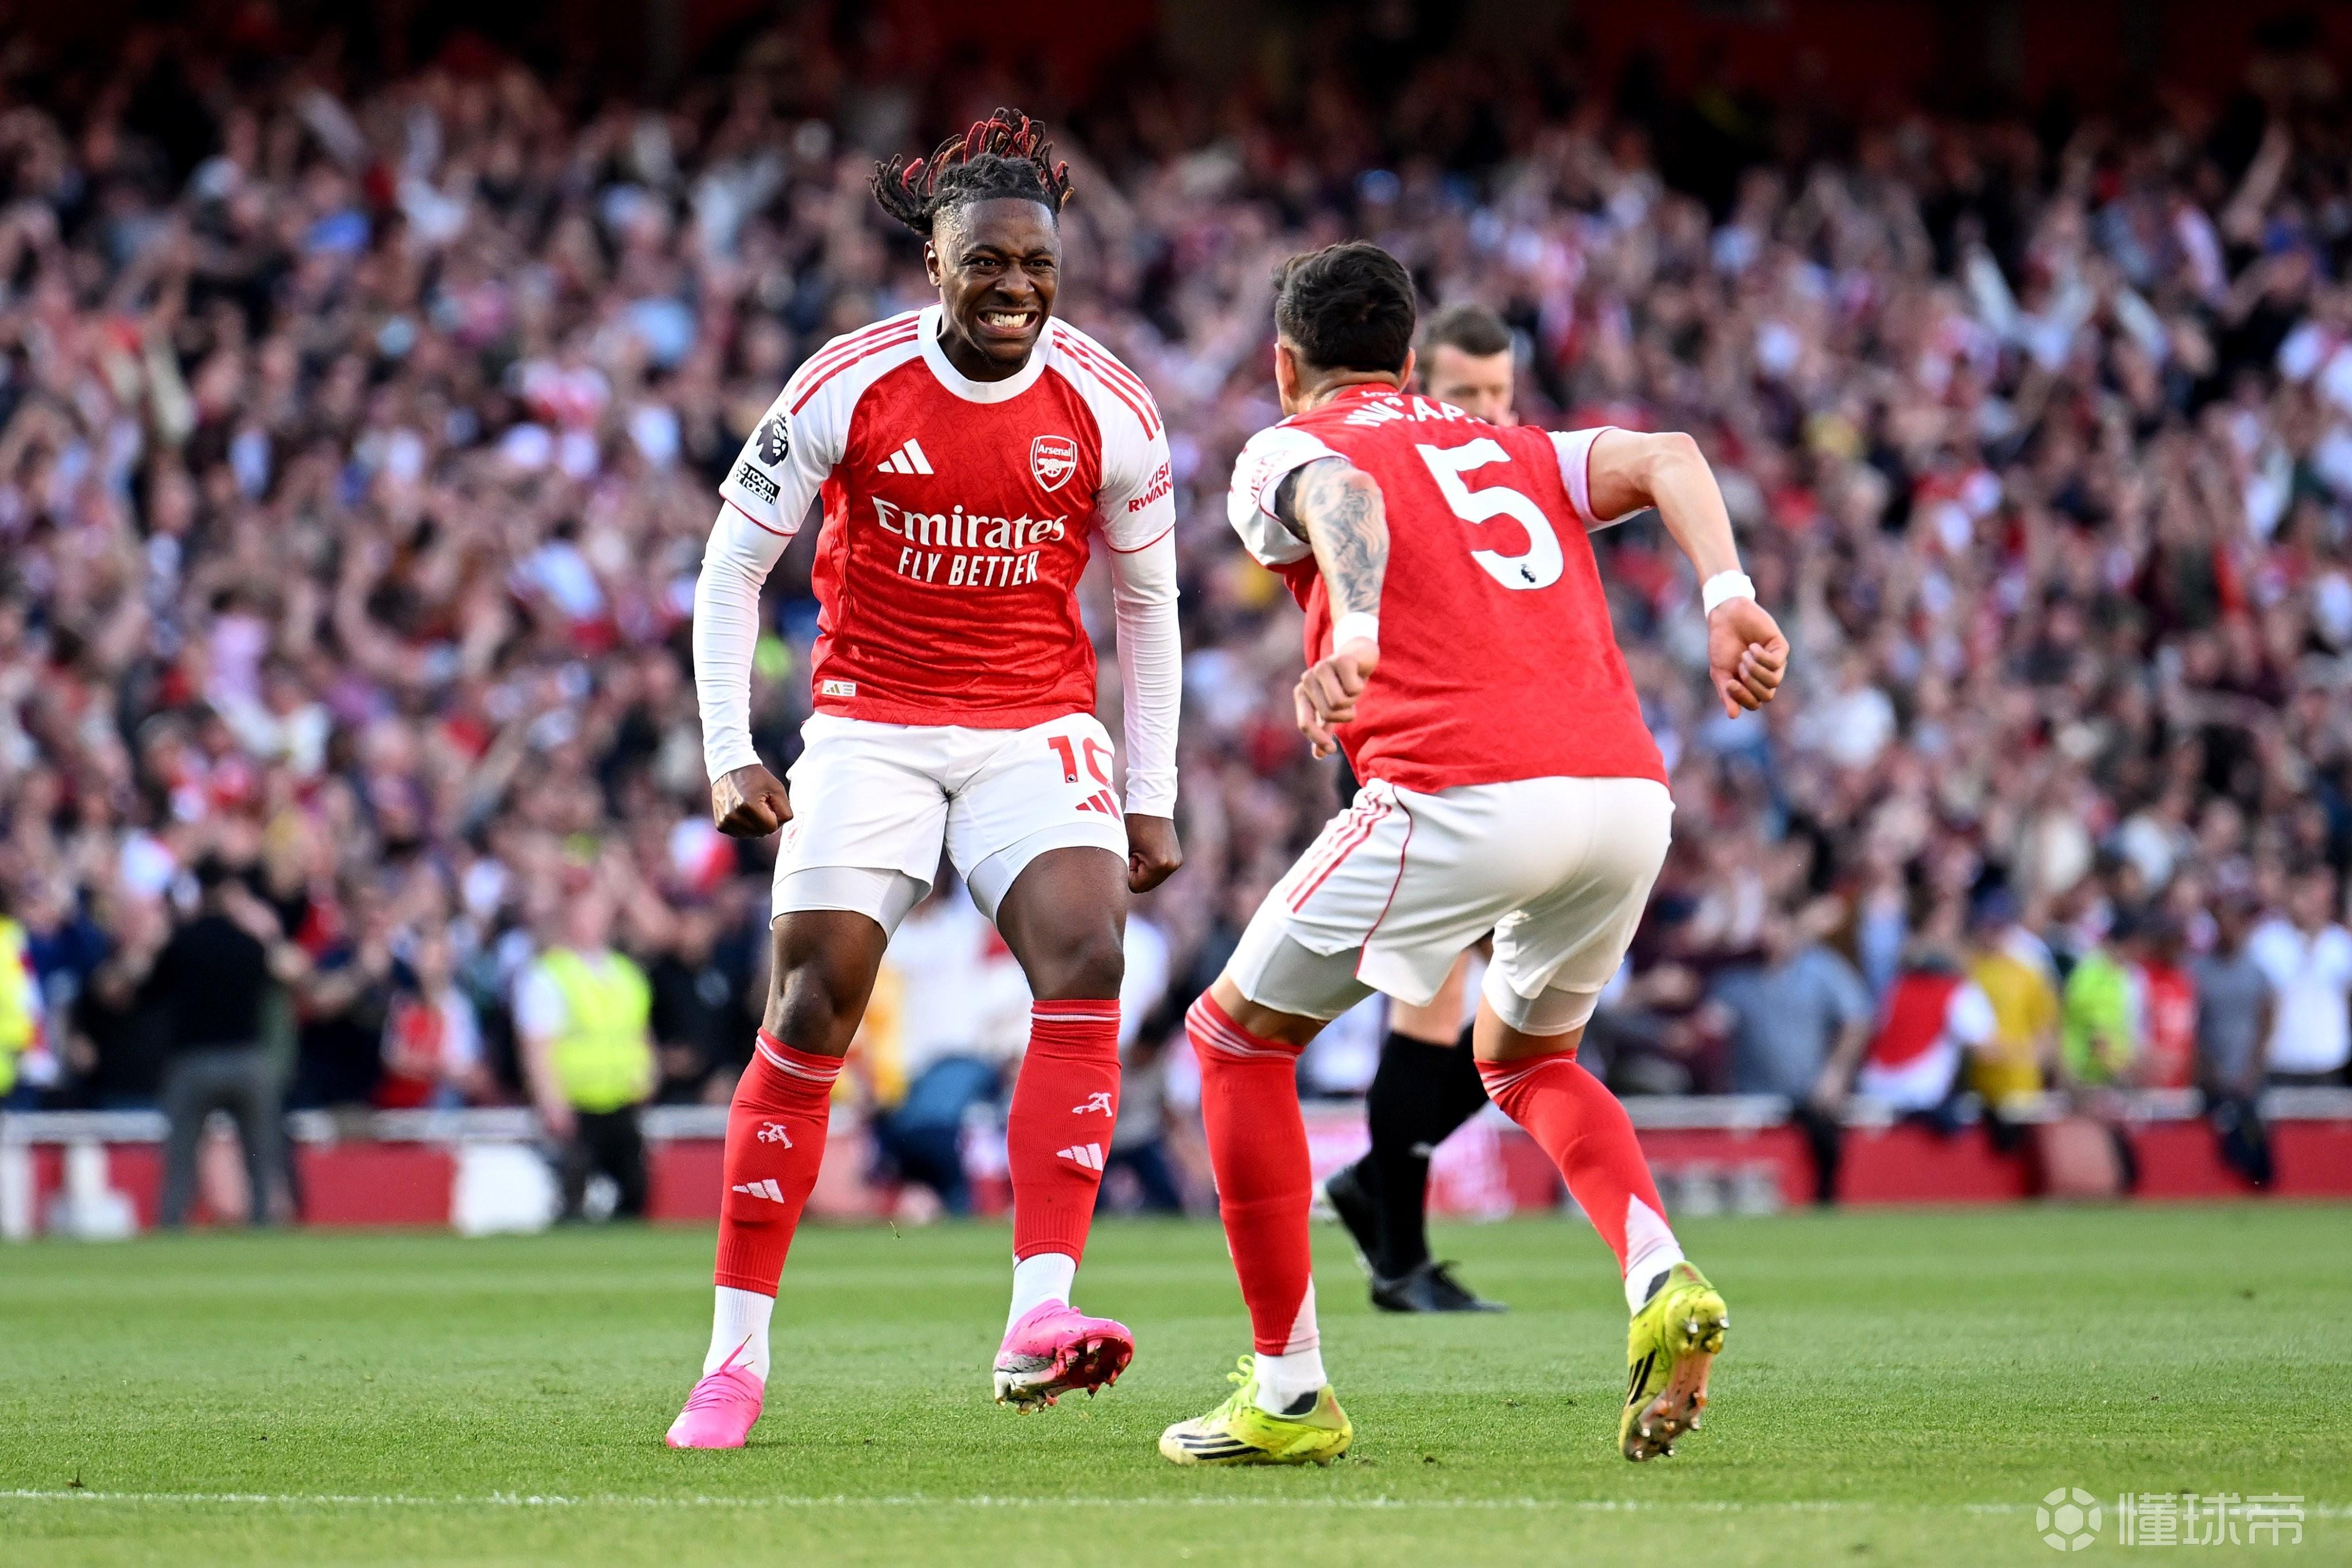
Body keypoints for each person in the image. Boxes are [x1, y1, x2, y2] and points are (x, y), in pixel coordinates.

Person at [1161, 242, 1786, 1467]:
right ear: (1411, 359)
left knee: (1234, 1039)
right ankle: (1658, 1273)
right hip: (1624, 796)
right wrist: (1726, 600)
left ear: (1284, 365)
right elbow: (1672, 454)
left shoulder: (1284, 446)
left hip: (1459, 791)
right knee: (1525, 1059)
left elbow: (1342, 495)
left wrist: (1353, 627)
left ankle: (1288, 1393)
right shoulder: (1518, 446)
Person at [668, 110, 1183, 1448]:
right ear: (934, 263)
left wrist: (1152, 788)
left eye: (1037, 264)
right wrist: (730, 747)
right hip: (869, 724)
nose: (1015, 286)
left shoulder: (1111, 405)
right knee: (814, 998)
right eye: (986, 262)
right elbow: (731, 566)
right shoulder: (846, 383)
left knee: (1089, 950)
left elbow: (1148, 605)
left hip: (1033, 722)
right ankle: (732, 1361)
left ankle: (1040, 1313)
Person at [1321, 303, 1519, 1314]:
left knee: (1535, 1011)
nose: (1485, 411)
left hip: (1499, 762)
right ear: (1416, 393)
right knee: (1434, 1002)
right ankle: (1399, 1254)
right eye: (1463, 392)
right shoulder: (1385, 475)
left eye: (1499, 393)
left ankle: (1375, 1190)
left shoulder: (1510, 486)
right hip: (1404, 758)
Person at [136, 857, 309, 1226]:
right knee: (261, 1157)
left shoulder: (181, 944)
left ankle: (172, 1224)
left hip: (192, 1062)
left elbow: (148, 994)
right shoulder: (249, 945)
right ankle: (264, 1225)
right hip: (247, 1061)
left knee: (181, 1159)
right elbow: (280, 985)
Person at [515, 885, 658, 1221]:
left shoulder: (627, 973)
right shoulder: (550, 975)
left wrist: (649, 1076)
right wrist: (552, 1102)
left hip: (622, 1100)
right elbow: (538, 1047)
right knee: (574, 1197)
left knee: (634, 1192)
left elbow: (639, 1033)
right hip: (576, 1103)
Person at [2247, 869, 2352, 1087]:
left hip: (2329, 1061)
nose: (2309, 903)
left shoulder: (2341, 944)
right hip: (2281, 1060)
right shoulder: (2265, 941)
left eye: (2316, 896)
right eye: (2303, 894)